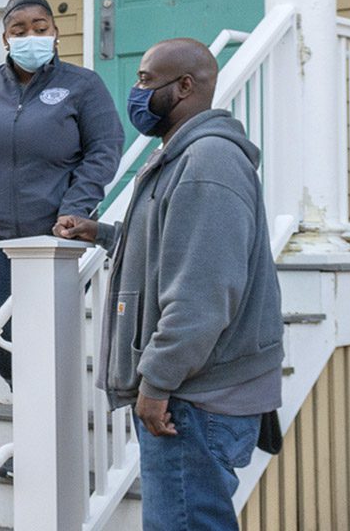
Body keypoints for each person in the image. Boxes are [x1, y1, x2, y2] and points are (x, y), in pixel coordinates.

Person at [56, 38, 284, 530]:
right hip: (193, 394)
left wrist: (157, 381)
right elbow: (177, 251)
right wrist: (106, 234)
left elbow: (203, 293)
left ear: (183, 87)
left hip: (194, 399)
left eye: (144, 80)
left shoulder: (206, 163)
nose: (136, 92)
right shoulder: (183, 157)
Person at [0, 0, 123, 393]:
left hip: (55, 235)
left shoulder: (83, 85)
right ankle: (29, 392)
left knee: (45, 335)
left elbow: (104, 148)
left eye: (40, 27)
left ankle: (36, 436)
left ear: (55, 33)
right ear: (5, 39)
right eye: (19, 30)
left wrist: (76, 207)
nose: (31, 36)